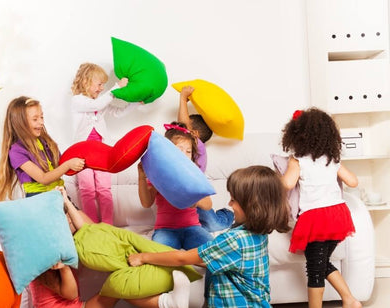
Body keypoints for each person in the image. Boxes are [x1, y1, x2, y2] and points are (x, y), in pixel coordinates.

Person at [129, 165, 290, 307]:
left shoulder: (234, 240)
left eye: (233, 200)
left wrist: (143, 257)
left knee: (130, 297)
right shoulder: (258, 234)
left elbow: (182, 258)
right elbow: (218, 260)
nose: (229, 204)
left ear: (253, 206)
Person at [29, 186, 191, 308]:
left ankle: (168, 299)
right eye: (67, 218)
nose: (71, 220)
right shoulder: (46, 256)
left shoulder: (66, 239)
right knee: (117, 288)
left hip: (78, 304)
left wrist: (66, 200)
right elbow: (70, 295)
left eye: (70, 216)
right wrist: (63, 269)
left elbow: (90, 229)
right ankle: (167, 303)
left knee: (122, 286)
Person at [280, 108, 362, 308]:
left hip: (315, 217)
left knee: (315, 268)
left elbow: (287, 184)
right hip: (337, 215)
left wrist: (279, 177)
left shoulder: (297, 160)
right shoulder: (332, 159)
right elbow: (353, 182)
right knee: (321, 262)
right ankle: (350, 300)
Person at [70, 62, 135, 225]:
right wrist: (115, 88)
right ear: (86, 82)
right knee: (87, 190)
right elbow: (96, 105)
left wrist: (135, 104)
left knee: (104, 189)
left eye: (103, 86)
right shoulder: (78, 101)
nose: (101, 89)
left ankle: (107, 225)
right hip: (82, 153)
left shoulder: (101, 101)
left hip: (101, 152)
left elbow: (117, 112)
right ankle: (91, 224)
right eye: (99, 85)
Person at [138, 121, 214, 250]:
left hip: (193, 228)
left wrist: (193, 200)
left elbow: (208, 205)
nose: (184, 155)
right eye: (179, 150)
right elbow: (146, 203)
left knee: (213, 252)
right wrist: (141, 177)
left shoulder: (194, 174)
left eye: (188, 151)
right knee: (159, 257)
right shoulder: (159, 174)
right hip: (165, 230)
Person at [0, 96, 85, 201]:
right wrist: (68, 164)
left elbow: (60, 164)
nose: (41, 122)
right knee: (74, 217)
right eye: (35, 119)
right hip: (39, 199)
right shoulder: (16, 151)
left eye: (42, 117)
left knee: (82, 218)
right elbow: (43, 178)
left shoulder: (44, 141)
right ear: (20, 123)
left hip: (58, 194)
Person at [177, 85, 234, 232]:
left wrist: (183, 98)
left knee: (214, 225)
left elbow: (184, 127)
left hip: (196, 193)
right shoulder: (177, 146)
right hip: (182, 194)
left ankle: (227, 214)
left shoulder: (199, 146)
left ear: (194, 134)